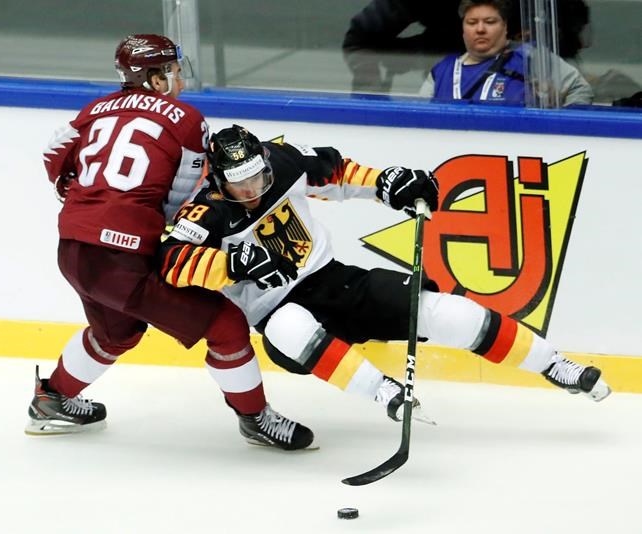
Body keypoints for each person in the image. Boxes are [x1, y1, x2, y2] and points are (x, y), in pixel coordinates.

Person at [157, 124, 611, 418]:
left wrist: (387, 184)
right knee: (287, 328)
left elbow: (338, 173)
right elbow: (173, 262)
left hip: (335, 281)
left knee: (444, 312)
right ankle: (385, 394)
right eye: (239, 183)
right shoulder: (205, 211)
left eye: (257, 177)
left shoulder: (283, 159)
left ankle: (554, 364)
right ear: (217, 177)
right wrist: (231, 264)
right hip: (277, 311)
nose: (252, 189)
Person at [28, 35, 314, 451]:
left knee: (117, 333)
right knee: (226, 325)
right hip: (120, 258)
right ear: (157, 79)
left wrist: (81, 195)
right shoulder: (187, 120)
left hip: (73, 246)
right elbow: (180, 203)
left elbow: (53, 155)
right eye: (175, 71)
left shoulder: (94, 110)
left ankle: (51, 399)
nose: (180, 79)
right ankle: (255, 418)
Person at [343, 0, 590, 94]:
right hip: (451, 96)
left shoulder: (550, 18)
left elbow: (570, 43)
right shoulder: (441, 66)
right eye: (472, 22)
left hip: (526, 106)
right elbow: (361, 39)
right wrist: (371, 99)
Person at [418, 0, 593, 106]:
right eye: (472, 23)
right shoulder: (442, 70)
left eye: (490, 22)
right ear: (463, 29)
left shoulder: (529, 57)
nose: (480, 29)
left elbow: (580, 90)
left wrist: (559, 120)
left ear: (505, 27)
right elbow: (420, 114)